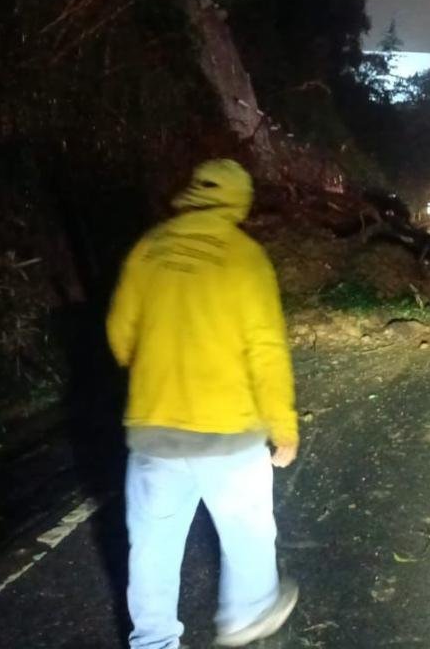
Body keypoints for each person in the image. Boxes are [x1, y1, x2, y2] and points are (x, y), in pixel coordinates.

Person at [107, 158, 299, 649]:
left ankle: (152, 642)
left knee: (151, 551)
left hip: (154, 432)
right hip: (228, 435)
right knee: (249, 533)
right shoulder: (245, 257)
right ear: (239, 200)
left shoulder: (148, 249)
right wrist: (283, 427)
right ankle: (247, 614)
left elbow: (120, 338)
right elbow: (267, 353)